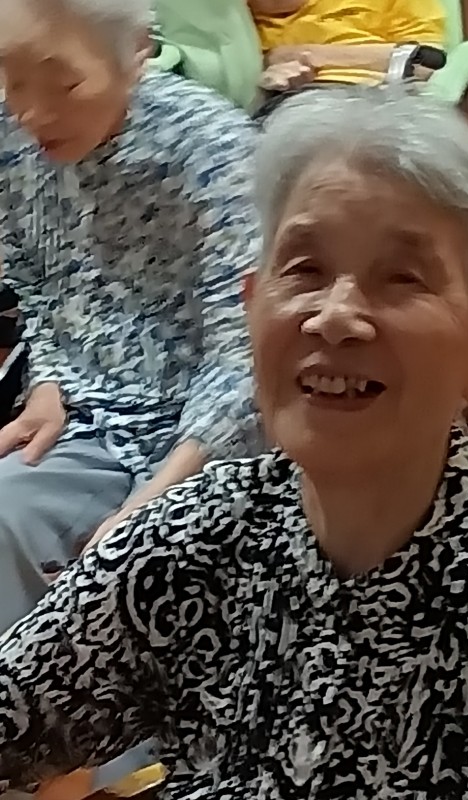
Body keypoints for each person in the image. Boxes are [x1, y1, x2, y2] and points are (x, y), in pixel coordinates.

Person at [2, 88, 468, 800]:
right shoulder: (191, 544)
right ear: (252, 308)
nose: (336, 317)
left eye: (402, 278)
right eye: (305, 270)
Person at [0, 0, 262, 631]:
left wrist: (156, 499)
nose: (31, 113)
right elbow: (35, 278)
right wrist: (49, 379)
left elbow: (247, 353)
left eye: (64, 84)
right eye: (11, 80)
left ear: (137, 51)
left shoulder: (214, 150)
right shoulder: (12, 137)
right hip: (81, 409)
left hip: (196, 433)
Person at [249, 0, 447, 116]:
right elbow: (408, 56)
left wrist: (291, 54)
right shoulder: (238, 15)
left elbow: (425, 61)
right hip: (291, 106)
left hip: (385, 98)